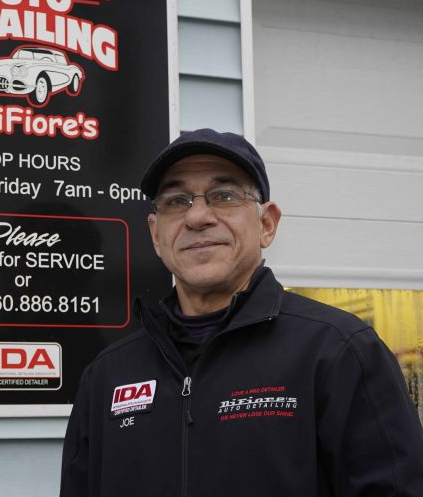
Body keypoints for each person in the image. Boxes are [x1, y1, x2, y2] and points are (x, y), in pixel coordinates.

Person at [60, 128, 423, 496]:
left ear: (267, 224)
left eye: (225, 195)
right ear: (155, 235)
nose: (198, 216)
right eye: (176, 201)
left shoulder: (339, 352)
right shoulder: (106, 376)